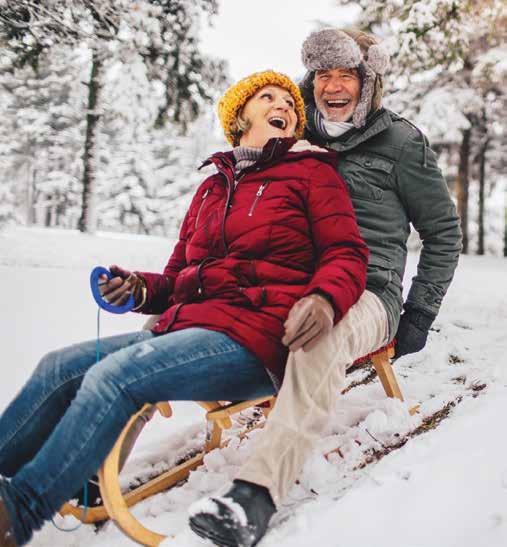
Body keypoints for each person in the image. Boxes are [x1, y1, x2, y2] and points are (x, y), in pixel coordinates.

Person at [0, 70, 369, 546]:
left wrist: (323, 298)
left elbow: (347, 253)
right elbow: (177, 278)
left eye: (289, 104)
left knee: (116, 376)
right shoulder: (212, 189)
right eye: (268, 97)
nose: (283, 105)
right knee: (59, 367)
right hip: (190, 327)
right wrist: (138, 288)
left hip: (258, 334)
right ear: (240, 117)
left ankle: (17, 513)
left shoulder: (312, 173)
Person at [190, 29, 462, 547]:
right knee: (177, 312)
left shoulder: (402, 144)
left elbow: (443, 232)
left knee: (321, 333)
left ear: (368, 82)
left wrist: (420, 312)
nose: (333, 87)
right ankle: (96, 450)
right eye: (324, 75)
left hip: (368, 291)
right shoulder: (289, 129)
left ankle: (256, 493)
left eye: (347, 76)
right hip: (288, 279)